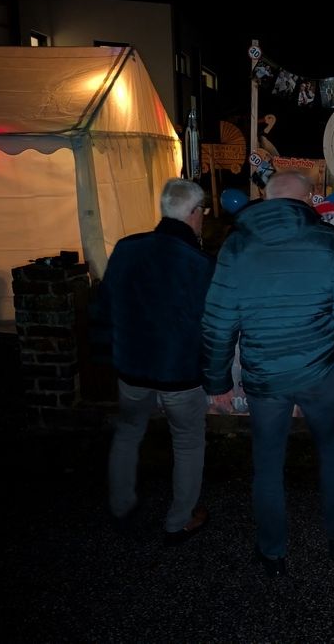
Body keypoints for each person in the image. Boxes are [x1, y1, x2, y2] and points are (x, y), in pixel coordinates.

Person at [202, 170, 334, 578]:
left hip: (265, 378)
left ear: (266, 196)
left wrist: (217, 380)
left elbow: (218, 322)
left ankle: (273, 551)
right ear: (309, 200)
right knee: (331, 450)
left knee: (268, 462)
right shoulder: (328, 241)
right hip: (320, 373)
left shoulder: (236, 245)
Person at [99, 178, 215, 546]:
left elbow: (104, 306)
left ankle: (120, 505)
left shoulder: (127, 248)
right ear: (194, 213)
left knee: (128, 432)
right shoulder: (199, 263)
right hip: (179, 373)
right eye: (203, 213)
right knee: (188, 443)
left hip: (132, 367)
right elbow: (211, 324)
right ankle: (179, 520)